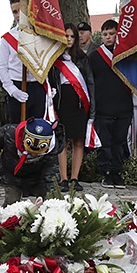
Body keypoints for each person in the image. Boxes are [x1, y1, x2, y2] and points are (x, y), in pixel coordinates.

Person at [0, 118, 64, 205]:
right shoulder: (10, 133)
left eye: (37, 154)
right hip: (12, 174)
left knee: (49, 202)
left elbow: (51, 174)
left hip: (38, 177)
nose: (33, 155)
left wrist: (54, 198)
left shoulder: (52, 148)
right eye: (31, 152)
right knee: (11, 204)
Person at [90, 19, 131, 188]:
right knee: (104, 144)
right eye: (105, 34)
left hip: (123, 106)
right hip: (103, 107)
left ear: (118, 34)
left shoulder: (126, 54)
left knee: (119, 142)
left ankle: (117, 171)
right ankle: (106, 173)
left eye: (111, 34)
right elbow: (89, 82)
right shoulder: (95, 56)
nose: (108, 37)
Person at [55, 22, 95, 193]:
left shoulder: (83, 58)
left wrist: (92, 107)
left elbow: (90, 83)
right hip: (61, 101)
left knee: (78, 140)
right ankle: (63, 178)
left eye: (72, 36)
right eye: (67, 36)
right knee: (62, 141)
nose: (69, 39)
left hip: (79, 102)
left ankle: (74, 178)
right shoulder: (55, 58)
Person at [0, 0, 46, 122]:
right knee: (17, 130)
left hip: (37, 86)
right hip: (17, 85)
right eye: (15, 12)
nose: (18, 15)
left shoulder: (41, 35)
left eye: (21, 10)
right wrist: (13, 90)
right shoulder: (7, 39)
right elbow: (2, 68)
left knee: (37, 130)